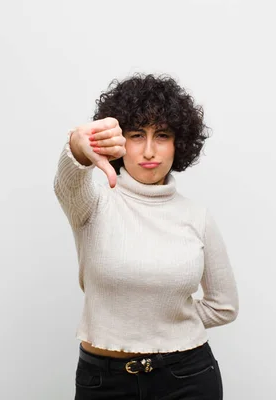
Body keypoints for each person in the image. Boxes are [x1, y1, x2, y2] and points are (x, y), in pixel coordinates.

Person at [53, 73, 239, 400]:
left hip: (187, 377)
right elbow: (67, 185)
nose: (149, 150)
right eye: (137, 135)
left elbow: (224, 306)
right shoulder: (93, 204)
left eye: (162, 135)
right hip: (104, 382)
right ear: (118, 141)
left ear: (178, 143)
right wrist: (77, 148)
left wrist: (162, 324)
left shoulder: (197, 217)